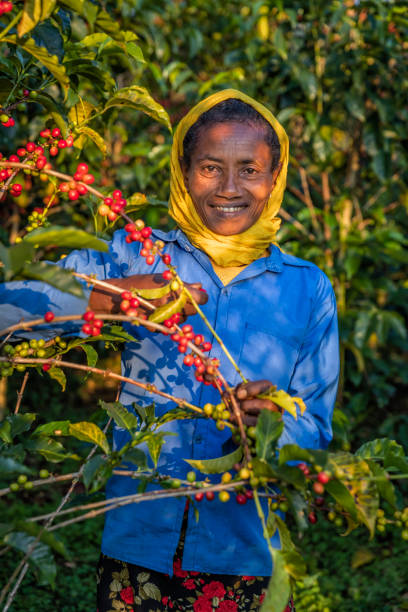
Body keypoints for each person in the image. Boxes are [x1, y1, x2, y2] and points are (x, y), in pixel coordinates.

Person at [0, 90, 339, 611]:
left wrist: (273, 423)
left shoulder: (306, 289)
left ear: (275, 179)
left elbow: (314, 433)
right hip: (140, 550)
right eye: (210, 168)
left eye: (249, 169)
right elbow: (8, 309)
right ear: (183, 174)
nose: (229, 188)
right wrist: (109, 296)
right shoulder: (134, 254)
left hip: (245, 558)